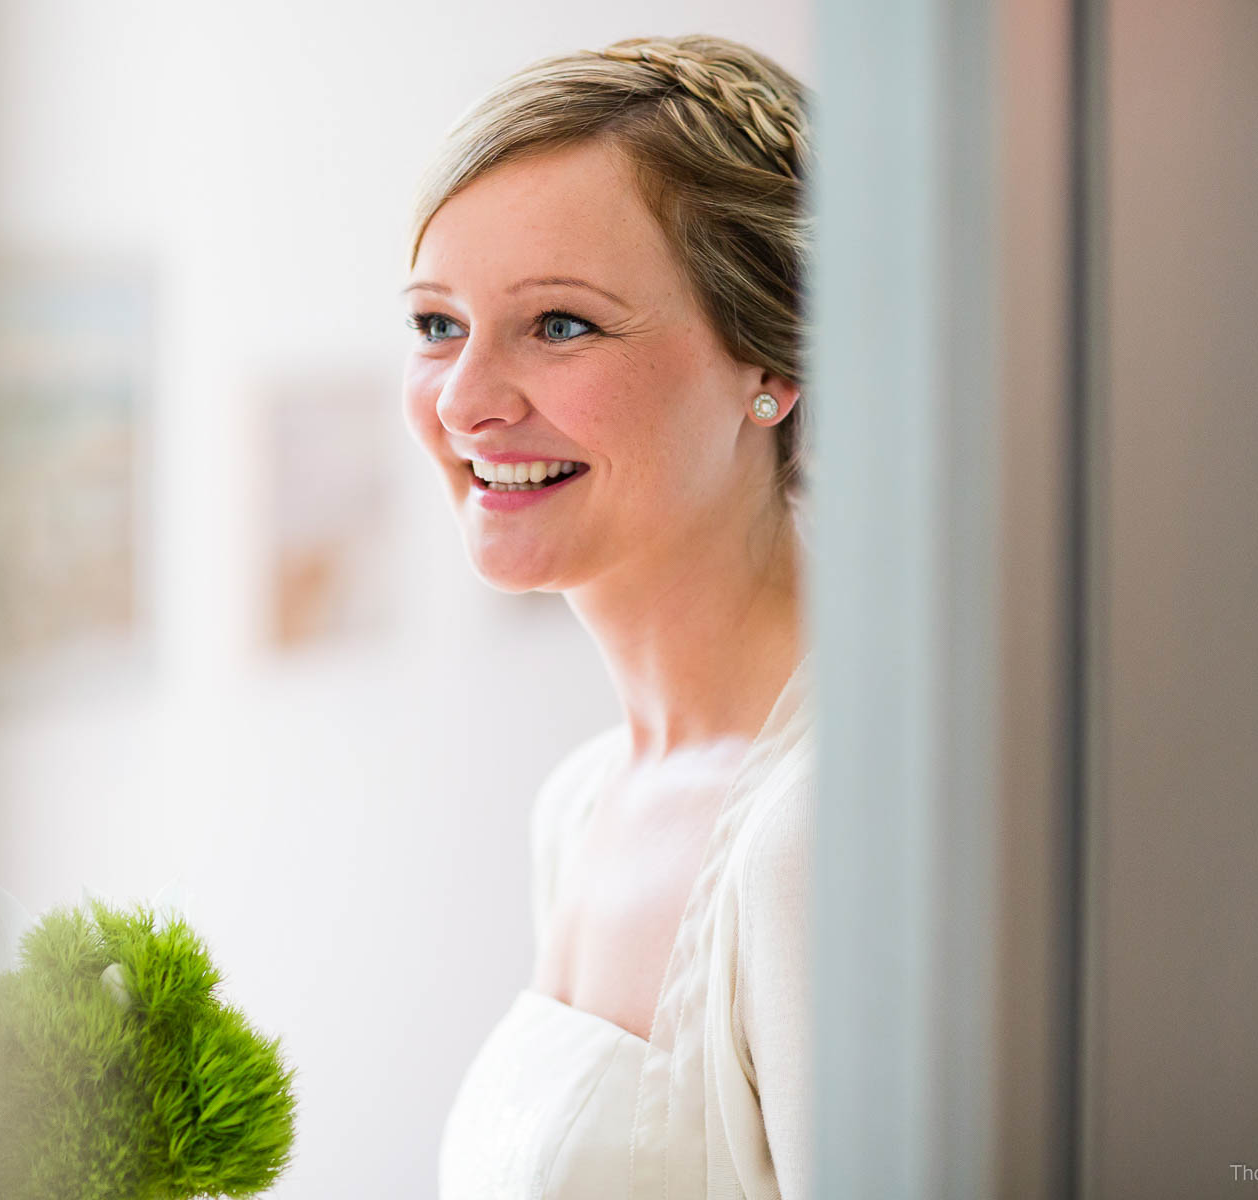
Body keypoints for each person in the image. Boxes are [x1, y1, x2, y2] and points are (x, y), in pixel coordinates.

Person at [400, 33, 816, 1200]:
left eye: (561, 324)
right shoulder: (582, 804)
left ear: (769, 362)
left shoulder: (814, 836)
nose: (468, 403)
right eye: (437, 325)